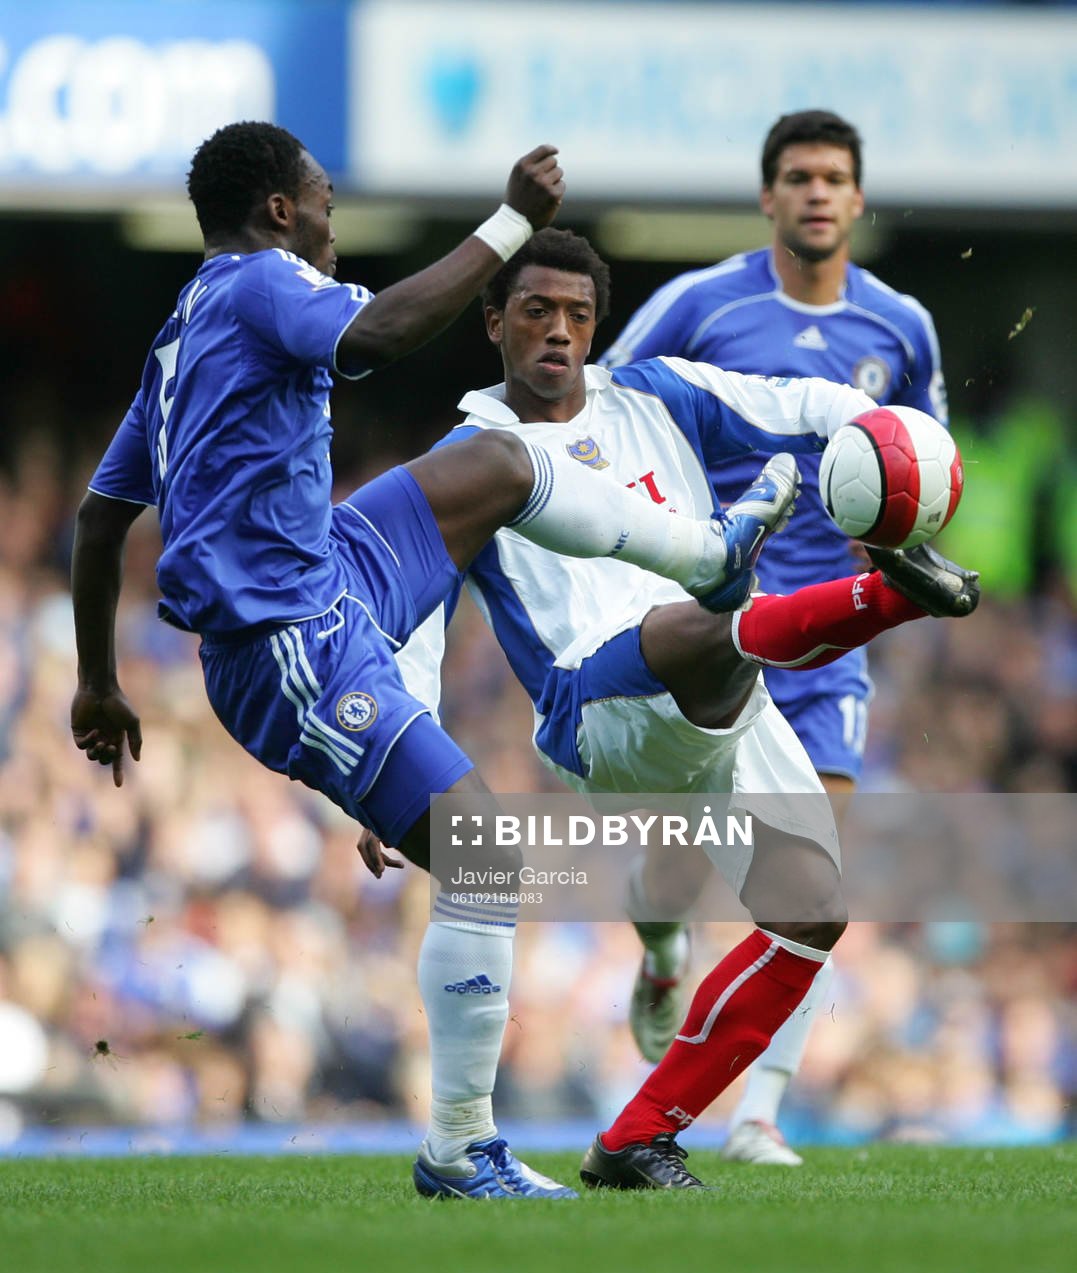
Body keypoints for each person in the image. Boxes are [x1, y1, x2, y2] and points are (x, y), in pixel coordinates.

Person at [69, 122, 798, 1200]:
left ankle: (705, 553)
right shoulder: (265, 285)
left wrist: (97, 679)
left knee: (497, 460)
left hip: (329, 572)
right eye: (321, 196)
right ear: (279, 210)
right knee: (490, 856)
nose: (331, 217)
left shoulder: (187, 329)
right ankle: (460, 1147)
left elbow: (98, 517)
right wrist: (512, 222)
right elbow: (381, 333)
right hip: (286, 641)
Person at [365, 227, 978, 1191]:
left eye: (576, 314)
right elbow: (414, 626)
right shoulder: (471, 457)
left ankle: (637, 1137)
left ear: (596, 324)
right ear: (493, 323)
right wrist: (388, 772)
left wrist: (880, 437)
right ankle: (887, 598)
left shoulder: (656, 393)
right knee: (705, 618)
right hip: (594, 706)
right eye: (535, 312)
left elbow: (800, 402)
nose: (558, 332)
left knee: (811, 915)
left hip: (720, 692)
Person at [599, 109, 949, 1165]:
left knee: (813, 879)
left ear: (858, 198)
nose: (816, 192)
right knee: (670, 875)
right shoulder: (699, 304)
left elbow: (924, 456)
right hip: (705, 623)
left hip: (826, 640)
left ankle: (758, 1114)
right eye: (797, 175)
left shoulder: (902, 327)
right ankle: (662, 949)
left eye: (834, 177)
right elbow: (605, 406)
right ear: (767, 196)